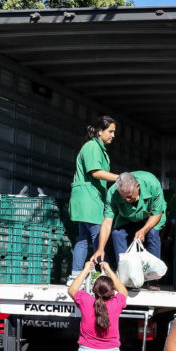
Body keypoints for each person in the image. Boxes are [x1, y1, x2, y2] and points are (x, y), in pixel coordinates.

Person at [91, 171, 167, 286]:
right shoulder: (112, 193)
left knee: (152, 234)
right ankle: (126, 276)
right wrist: (101, 248)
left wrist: (143, 230)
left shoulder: (152, 184)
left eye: (130, 196)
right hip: (127, 216)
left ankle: (153, 279)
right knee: (117, 234)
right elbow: (107, 222)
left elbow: (157, 213)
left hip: (151, 215)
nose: (127, 199)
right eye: (123, 197)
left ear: (138, 186)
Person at [69, 116, 119, 273]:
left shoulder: (96, 148)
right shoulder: (92, 147)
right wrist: (120, 178)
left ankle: (76, 273)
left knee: (83, 238)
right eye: (110, 131)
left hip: (86, 198)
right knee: (99, 238)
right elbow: (96, 172)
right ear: (99, 131)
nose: (113, 135)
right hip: (89, 199)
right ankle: (104, 273)